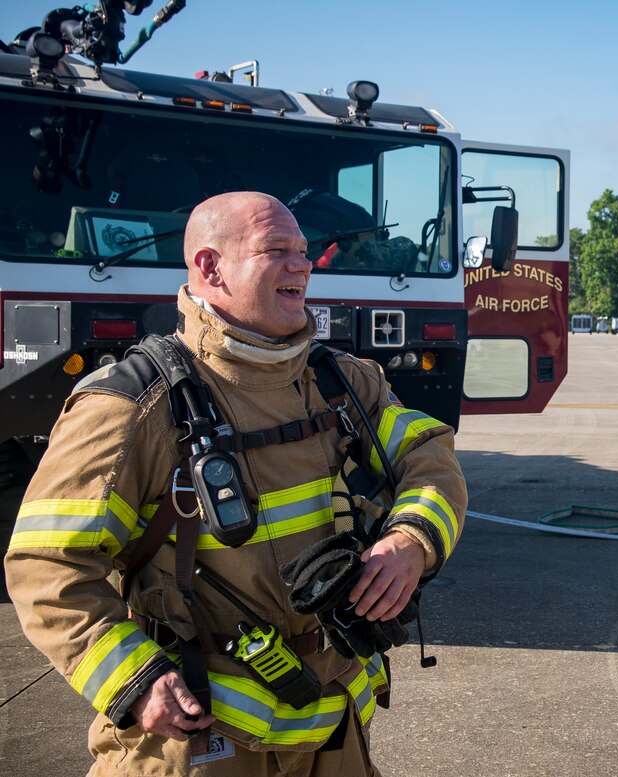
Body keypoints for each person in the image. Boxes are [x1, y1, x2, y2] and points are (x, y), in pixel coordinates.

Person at [5, 191, 467, 776]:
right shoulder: (131, 407)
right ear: (210, 267)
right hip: (202, 743)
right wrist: (133, 681)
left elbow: (431, 454)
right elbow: (46, 568)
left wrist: (411, 540)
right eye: (277, 250)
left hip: (336, 729)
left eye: (304, 251)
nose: (303, 265)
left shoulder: (345, 382)